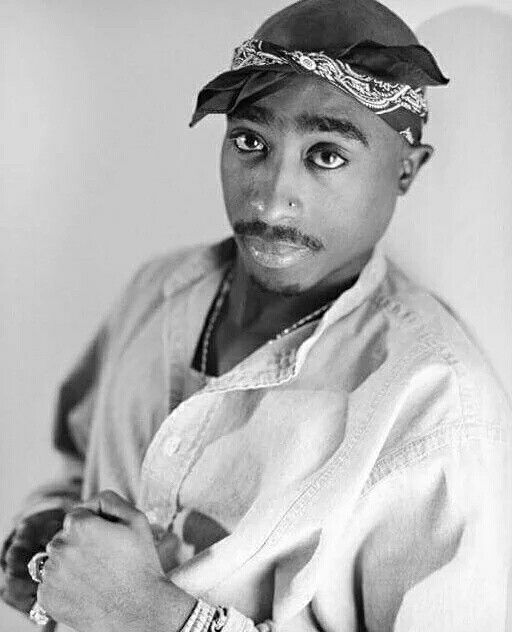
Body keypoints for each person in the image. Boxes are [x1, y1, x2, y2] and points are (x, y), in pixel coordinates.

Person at [1, 0, 510, 630]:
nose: (270, 196)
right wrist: (39, 541)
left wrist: (157, 617)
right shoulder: (158, 291)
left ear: (406, 169)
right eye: (251, 142)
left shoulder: (436, 409)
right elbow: (77, 464)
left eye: (326, 155)